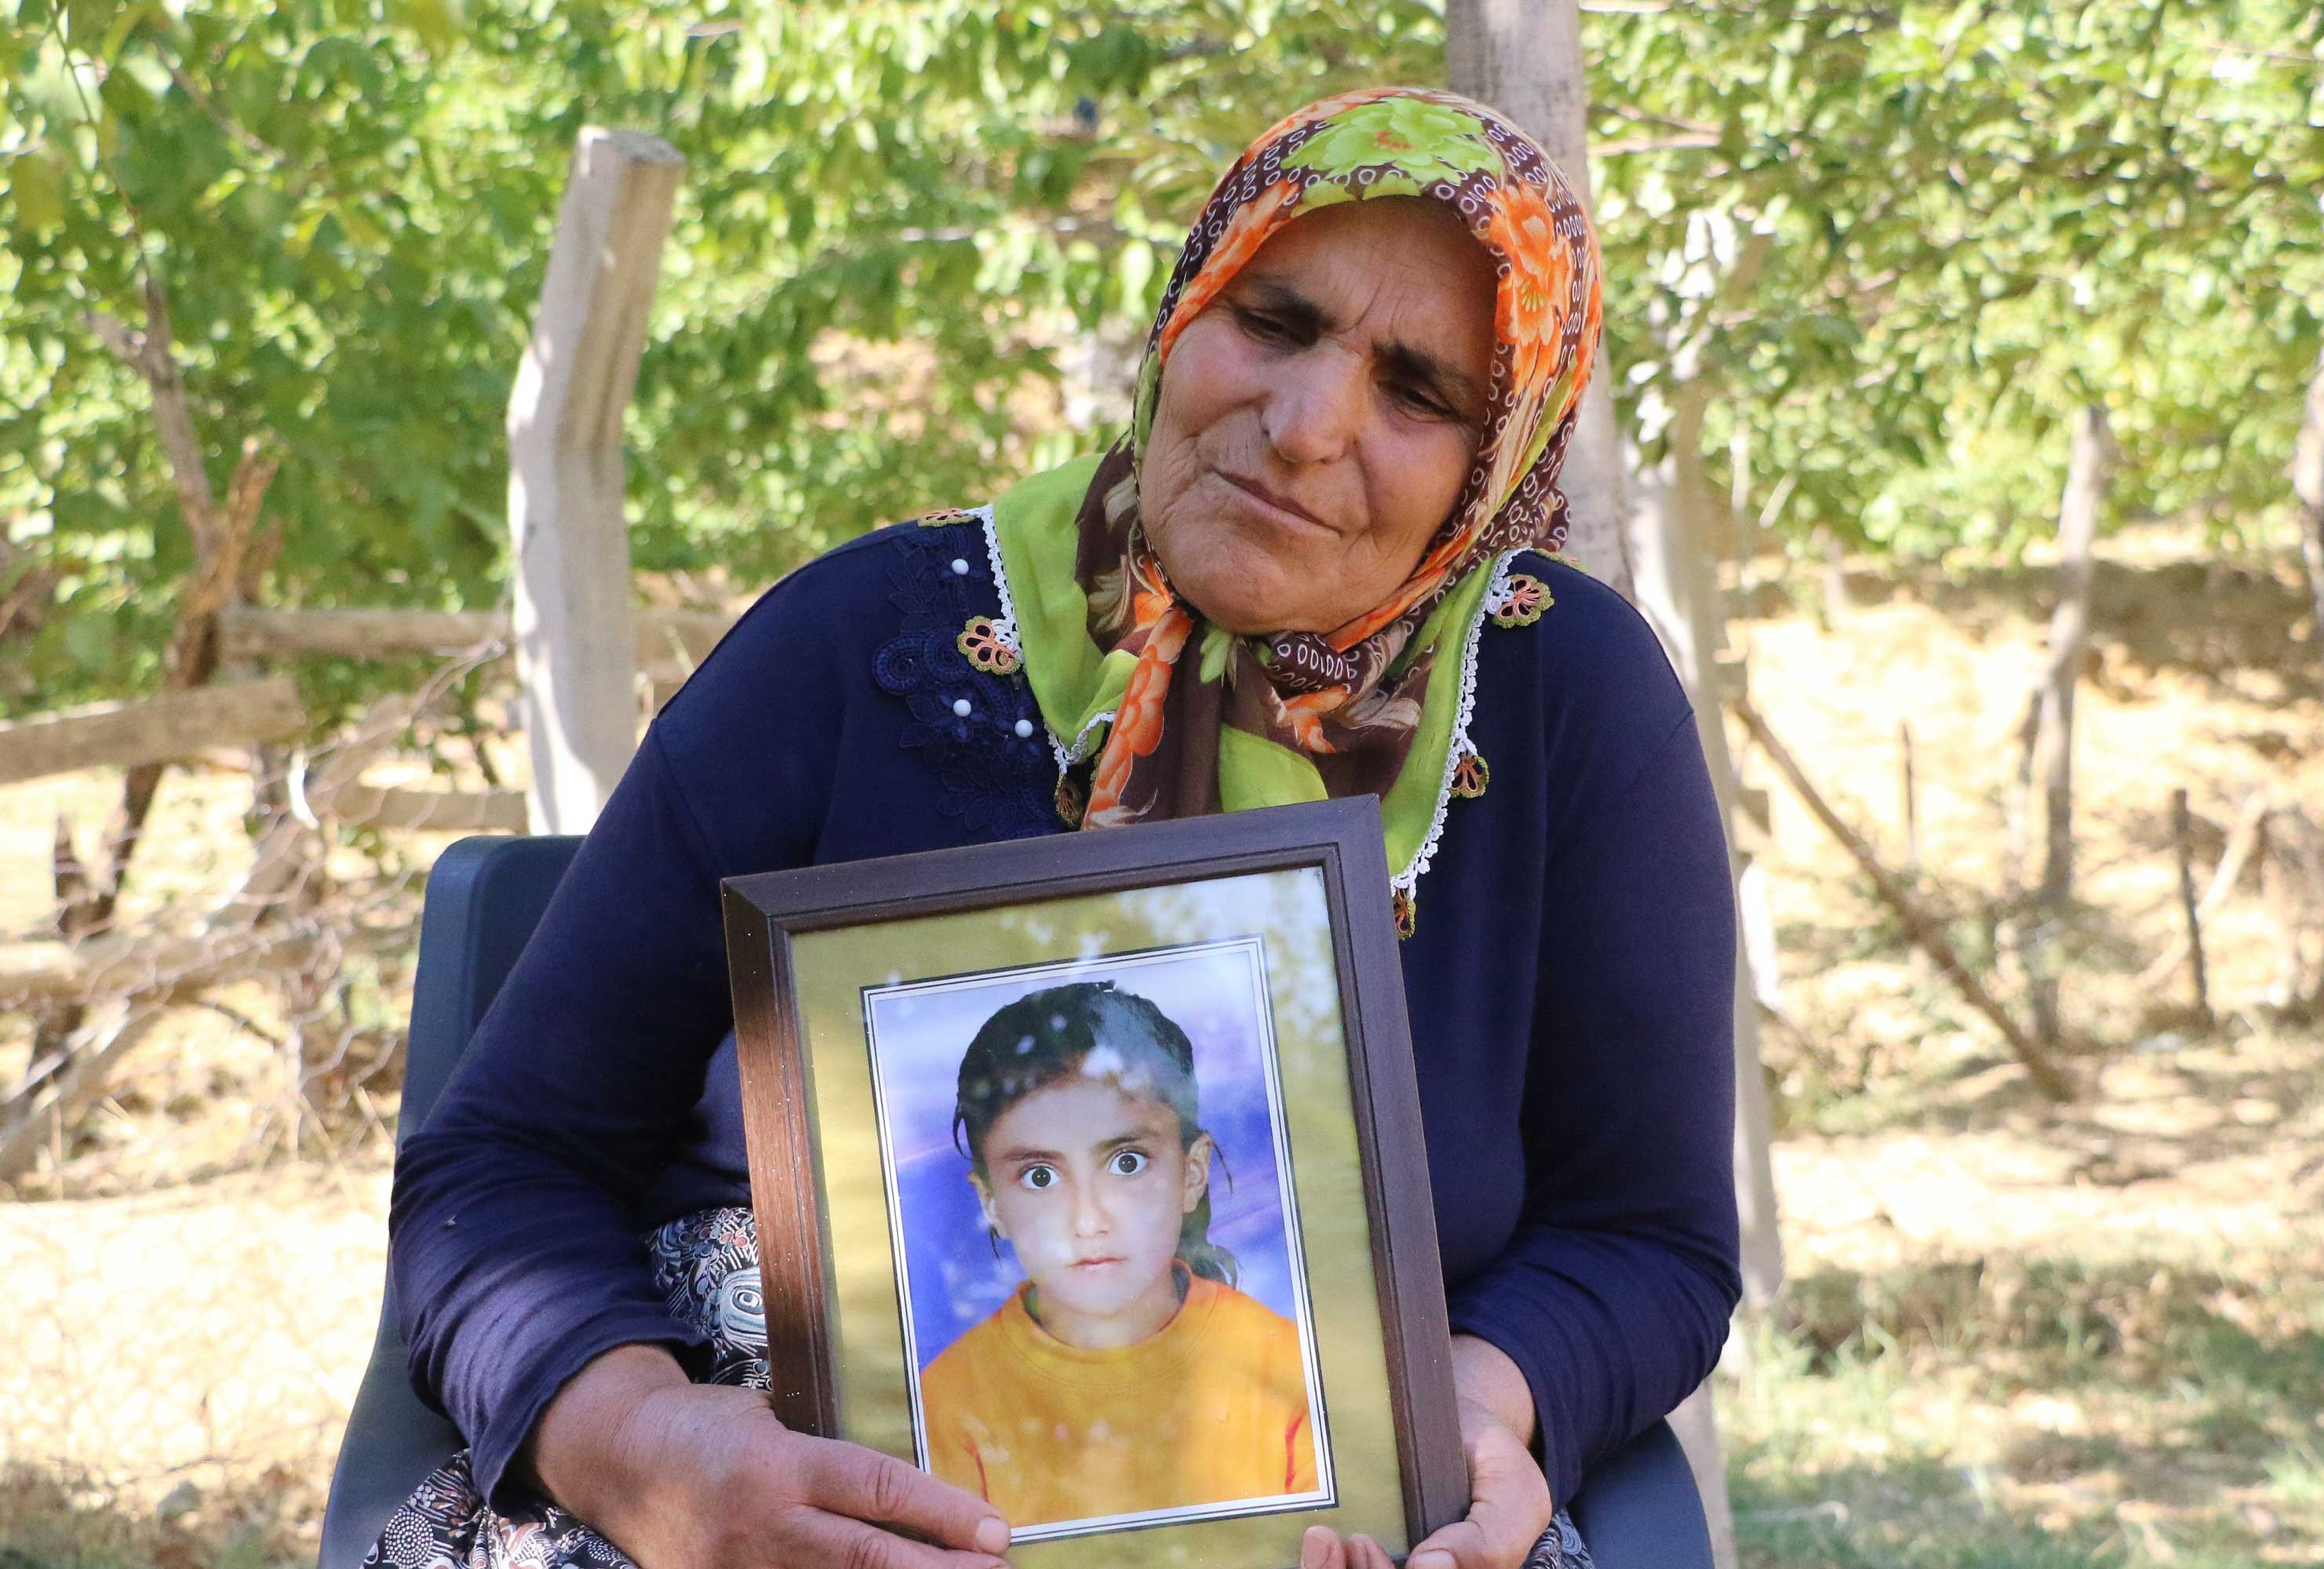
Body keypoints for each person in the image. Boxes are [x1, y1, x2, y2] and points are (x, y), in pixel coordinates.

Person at [374, 85, 1739, 1569]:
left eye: (1420, 392)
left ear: (1495, 466)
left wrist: (1470, 1409)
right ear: (1185, 310)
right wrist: (647, 1453)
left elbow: (1647, 1240)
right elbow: (498, 1169)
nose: (1306, 425)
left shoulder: (1561, 701)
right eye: (1274, 321)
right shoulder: (856, 647)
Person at [917, 981, 1320, 1528]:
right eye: (1040, 1176)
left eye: (1127, 1162)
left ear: (1191, 1173)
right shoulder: (945, 1404)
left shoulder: (1293, 1368)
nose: (1089, 1220)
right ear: (992, 1203)